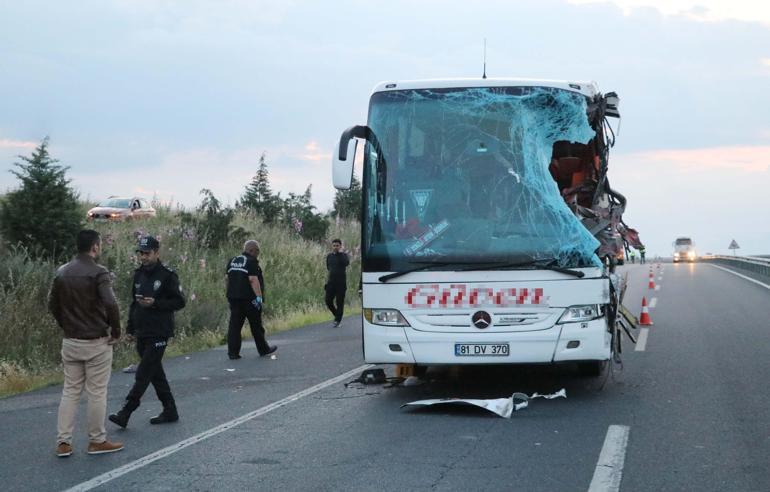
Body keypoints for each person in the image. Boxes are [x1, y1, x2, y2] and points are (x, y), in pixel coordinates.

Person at [48, 229, 124, 457]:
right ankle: (97, 440)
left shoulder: (62, 272)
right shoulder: (98, 273)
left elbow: (52, 304)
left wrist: (66, 325)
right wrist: (116, 330)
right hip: (96, 341)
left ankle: (64, 441)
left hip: (71, 340)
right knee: (97, 391)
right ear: (95, 247)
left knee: (70, 391)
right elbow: (111, 304)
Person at [108, 235, 185, 428]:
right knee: (155, 373)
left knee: (143, 373)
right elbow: (134, 303)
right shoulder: (139, 274)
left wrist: (156, 303)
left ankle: (126, 411)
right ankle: (170, 410)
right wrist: (130, 328)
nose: (143, 257)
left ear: (156, 253)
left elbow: (179, 302)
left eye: (147, 253)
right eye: (141, 253)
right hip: (142, 330)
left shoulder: (167, 275)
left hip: (159, 331)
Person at [225, 240, 277, 359]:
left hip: (234, 298)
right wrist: (259, 297)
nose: (257, 254)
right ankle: (263, 349)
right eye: (257, 251)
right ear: (252, 250)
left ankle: (233, 353)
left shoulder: (232, 261)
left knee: (234, 326)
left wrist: (228, 293)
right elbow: (253, 280)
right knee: (256, 325)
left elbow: (227, 279)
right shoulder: (251, 261)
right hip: (249, 299)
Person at [325, 239, 350, 327]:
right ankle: (337, 315)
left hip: (341, 283)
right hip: (331, 283)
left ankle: (337, 320)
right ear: (332, 246)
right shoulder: (329, 256)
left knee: (340, 302)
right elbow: (328, 267)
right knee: (328, 301)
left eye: (337, 245)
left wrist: (341, 254)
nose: (335, 247)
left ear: (340, 246)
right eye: (334, 245)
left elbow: (346, 263)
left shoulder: (344, 255)